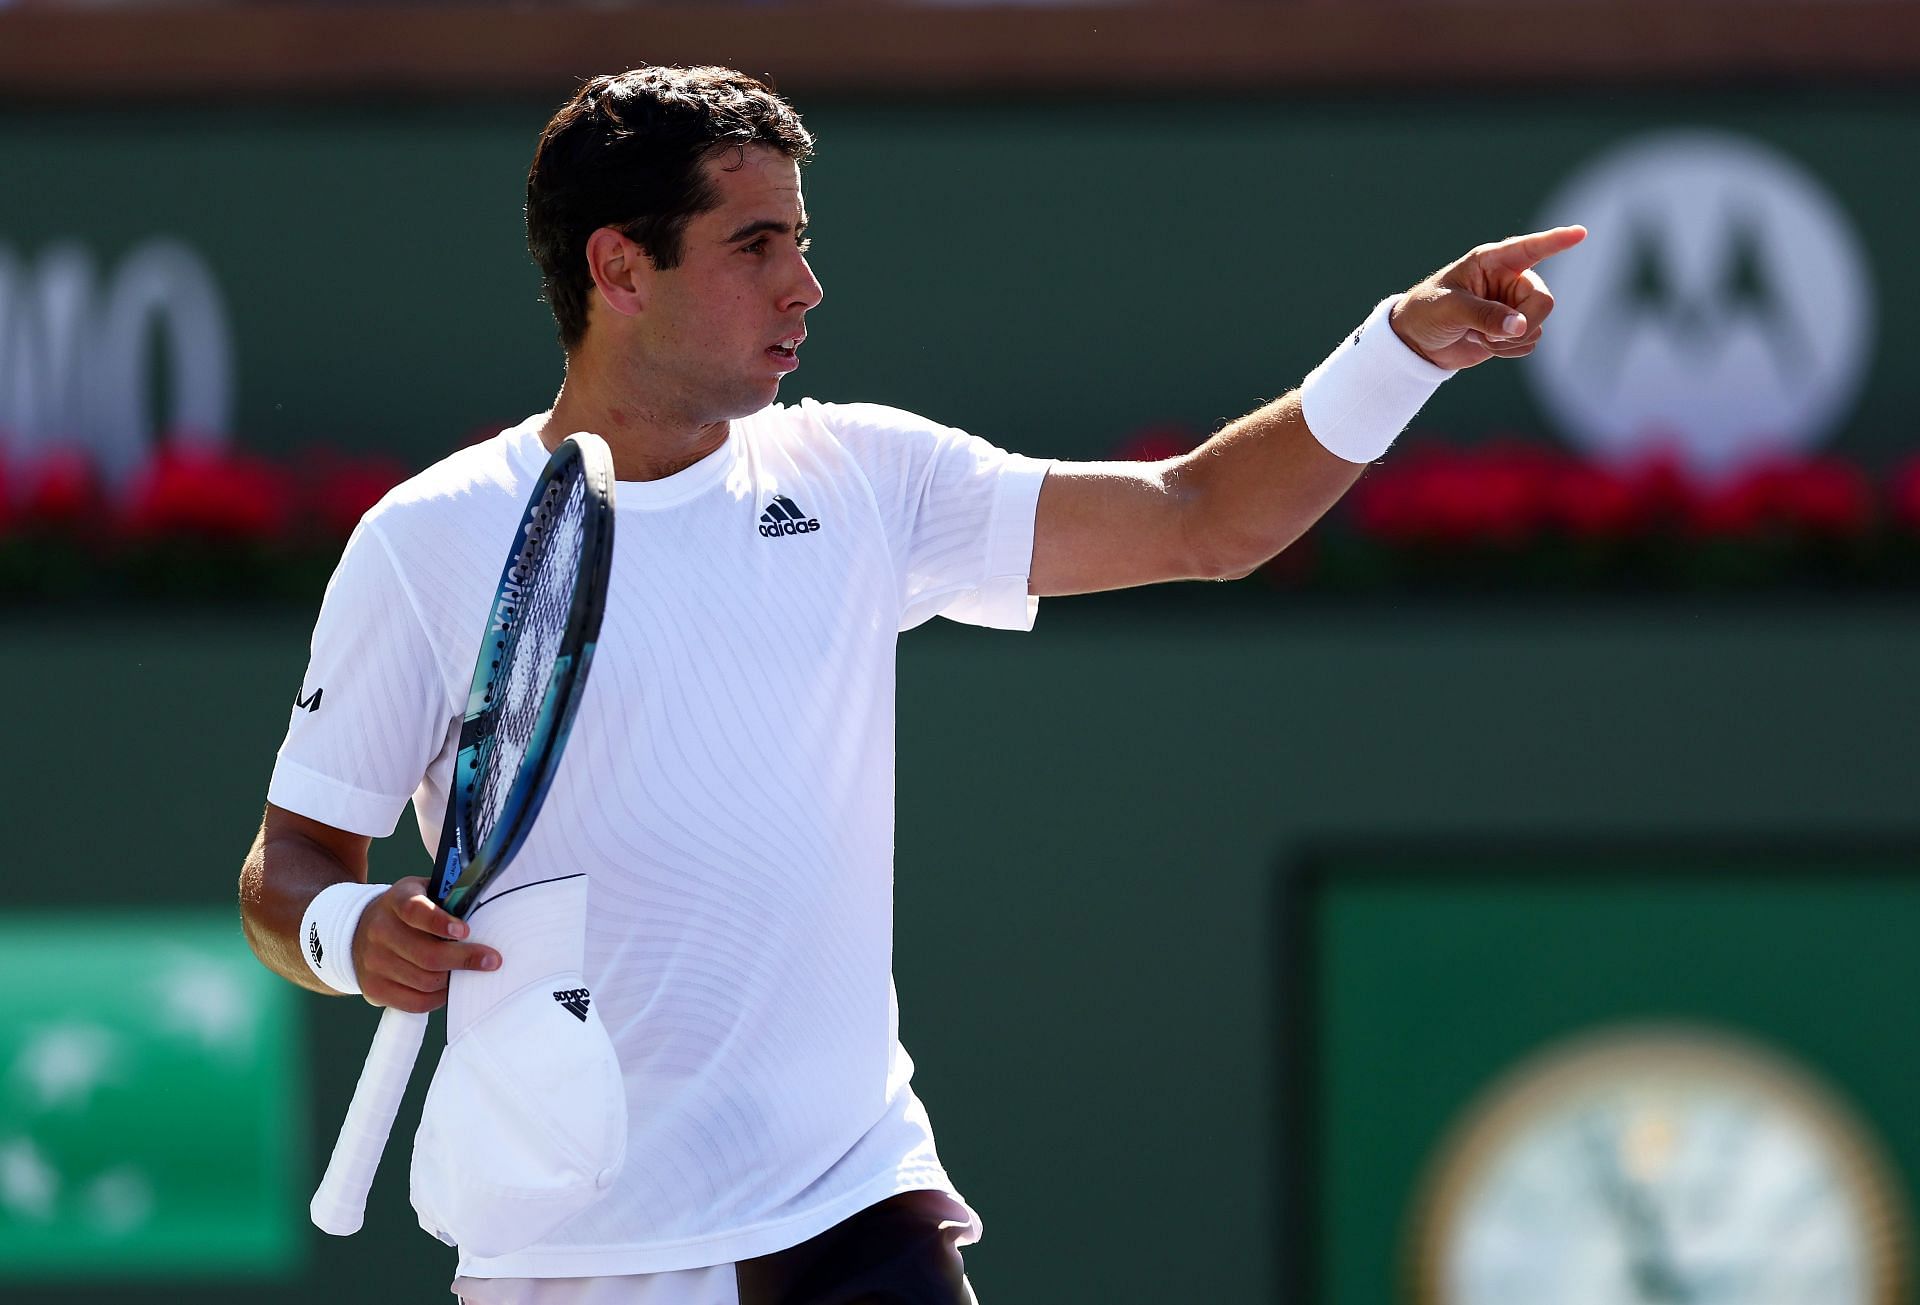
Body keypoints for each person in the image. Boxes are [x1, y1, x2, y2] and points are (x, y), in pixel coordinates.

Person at [238, 65, 1582, 1305]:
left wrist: (1404, 347)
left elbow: (1200, 518)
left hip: (854, 1210)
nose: (805, 285)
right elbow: (287, 864)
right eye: (755, 246)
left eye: (802, 241)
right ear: (620, 266)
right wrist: (346, 929)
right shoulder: (429, 542)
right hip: (578, 1246)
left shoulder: (864, 479)